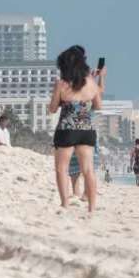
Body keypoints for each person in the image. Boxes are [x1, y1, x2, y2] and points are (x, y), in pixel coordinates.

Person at [47, 45, 104, 211]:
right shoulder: (91, 84)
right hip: (86, 130)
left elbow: (52, 108)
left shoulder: (62, 84)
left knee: (61, 169)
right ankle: (92, 207)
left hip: (66, 129)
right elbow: (98, 106)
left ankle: (65, 203)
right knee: (88, 170)